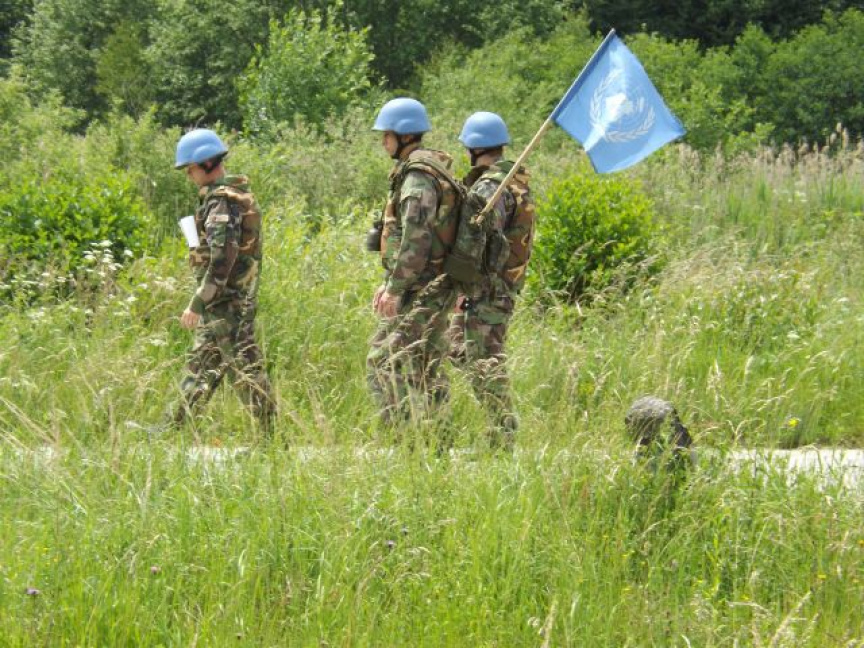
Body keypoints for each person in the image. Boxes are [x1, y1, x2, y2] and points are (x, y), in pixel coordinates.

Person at [168, 128, 275, 433]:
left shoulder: (222, 202)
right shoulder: (227, 197)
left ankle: (271, 438)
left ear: (206, 163)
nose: (189, 175)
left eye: (190, 168)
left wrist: (197, 302)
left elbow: (221, 261)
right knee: (200, 367)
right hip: (222, 302)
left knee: (246, 370)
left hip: (228, 303)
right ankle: (174, 430)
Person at [366, 98, 461, 436]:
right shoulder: (428, 169)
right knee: (426, 366)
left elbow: (416, 239)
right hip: (433, 284)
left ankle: (402, 440)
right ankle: (440, 442)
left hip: (422, 288)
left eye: (387, 135)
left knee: (383, 362)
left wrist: (395, 288)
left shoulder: (418, 178)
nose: (383, 142)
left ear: (404, 135)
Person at [447, 112, 535, 451]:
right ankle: (499, 431)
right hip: (498, 288)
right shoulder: (514, 182)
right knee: (459, 349)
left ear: (474, 147)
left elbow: (480, 241)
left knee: (485, 361)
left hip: (487, 290)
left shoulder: (491, 187)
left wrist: (462, 285)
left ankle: (503, 437)